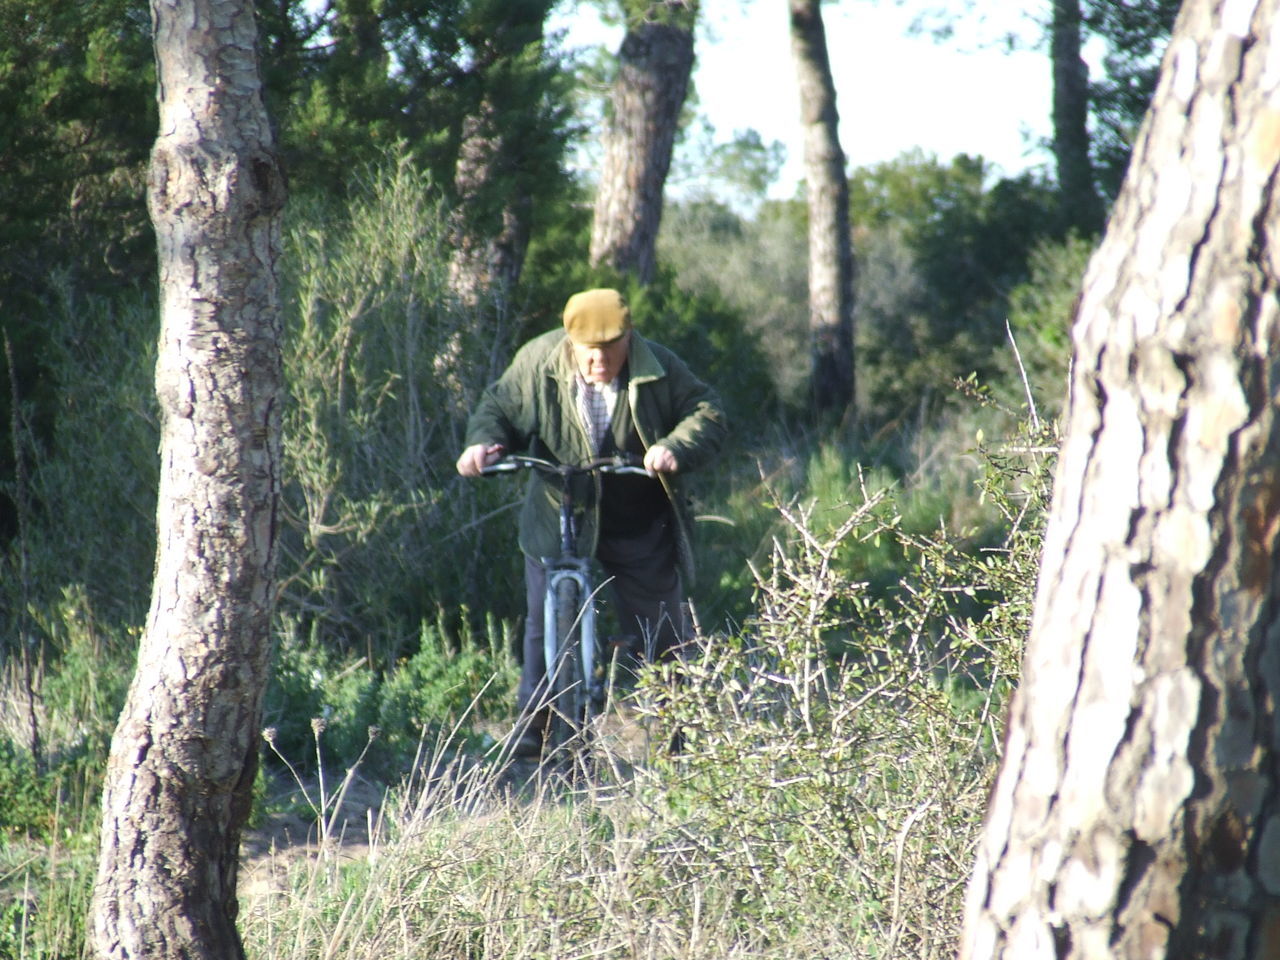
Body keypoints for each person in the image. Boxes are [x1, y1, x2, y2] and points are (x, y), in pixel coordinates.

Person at [456, 287, 728, 756]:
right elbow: (497, 407)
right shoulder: (539, 360)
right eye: (589, 352)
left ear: (629, 338)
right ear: (569, 342)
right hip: (557, 508)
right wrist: (483, 442)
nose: (599, 361)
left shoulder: (657, 366)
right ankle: (537, 733)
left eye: (610, 350)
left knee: (658, 626)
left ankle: (678, 735)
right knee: (543, 620)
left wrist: (674, 449)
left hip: (637, 513)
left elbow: (708, 413)